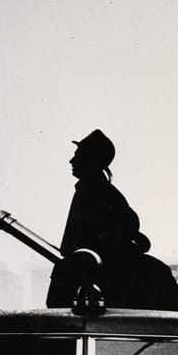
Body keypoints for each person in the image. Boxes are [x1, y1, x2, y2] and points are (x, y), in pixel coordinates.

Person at [47, 130, 142, 308]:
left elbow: (79, 244)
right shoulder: (101, 191)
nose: (71, 161)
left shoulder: (90, 191)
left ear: (91, 160)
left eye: (78, 155)